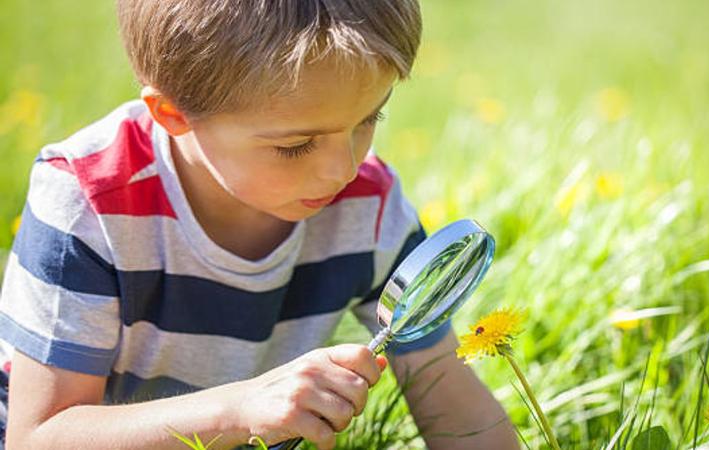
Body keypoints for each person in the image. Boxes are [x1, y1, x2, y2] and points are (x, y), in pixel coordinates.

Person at [0, 1, 520, 449]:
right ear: (173, 113)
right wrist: (237, 410)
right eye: (295, 145)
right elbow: (37, 437)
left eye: (369, 119)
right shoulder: (92, 202)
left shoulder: (367, 202)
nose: (343, 169)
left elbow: (445, 387)